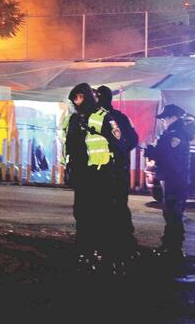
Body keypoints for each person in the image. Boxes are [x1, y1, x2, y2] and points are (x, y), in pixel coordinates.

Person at [63, 83, 117, 270]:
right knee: (82, 212)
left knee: (100, 213)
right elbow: (69, 146)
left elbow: (118, 143)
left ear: (83, 96)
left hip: (100, 173)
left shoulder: (102, 117)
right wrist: (68, 167)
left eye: (76, 99)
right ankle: (84, 250)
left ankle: (101, 251)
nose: (74, 103)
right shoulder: (73, 119)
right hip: (81, 174)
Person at [94, 85, 140, 263]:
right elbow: (133, 140)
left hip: (103, 170)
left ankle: (108, 245)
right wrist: (122, 153)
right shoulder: (121, 117)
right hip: (120, 169)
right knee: (121, 205)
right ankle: (126, 242)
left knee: (104, 206)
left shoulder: (97, 118)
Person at [145, 104, 193, 264]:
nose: (163, 121)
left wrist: (153, 152)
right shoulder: (174, 132)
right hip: (173, 178)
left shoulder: (176, 134)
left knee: (174, 214)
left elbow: (168, 156)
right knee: (170, 213)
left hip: (176, 179)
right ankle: (169, 245)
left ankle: (175, 248)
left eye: (165, 118)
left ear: (173, 118)